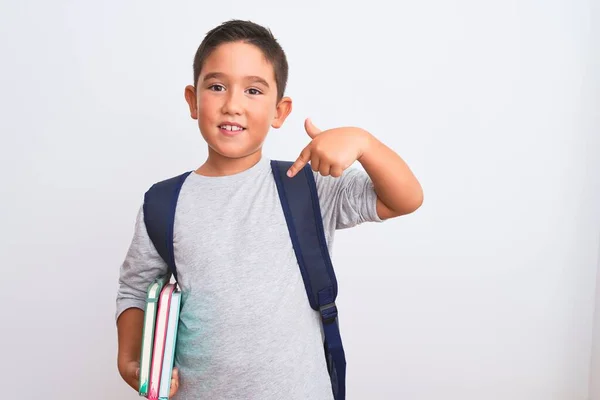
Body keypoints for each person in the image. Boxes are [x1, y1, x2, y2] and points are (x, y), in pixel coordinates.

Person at [116, 19, 423, 400]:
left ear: (280, 111)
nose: (232, 105)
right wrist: (130, 361)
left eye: (253, 90)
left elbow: (404, 199)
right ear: (193, 100)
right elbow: (134, 289)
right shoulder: (163, 202)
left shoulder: (306, 184)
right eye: (216, 87)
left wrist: (364, 142)